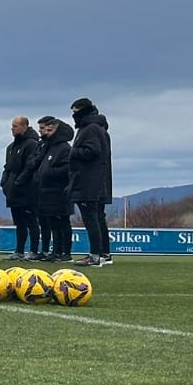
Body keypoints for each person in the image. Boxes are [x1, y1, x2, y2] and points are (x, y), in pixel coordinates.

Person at [69, 97, 113, 266]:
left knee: (91, 219)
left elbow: (92, 151)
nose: (73, 116)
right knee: (96, 218)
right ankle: (102, 253)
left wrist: (74, 152)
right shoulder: (96, 128)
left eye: (74, 112)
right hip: (94, 180)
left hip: (88, 181)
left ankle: (95, 255)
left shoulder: (90, 129)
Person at [1, 116, 42, 261]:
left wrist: (19, 182)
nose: (13, 129)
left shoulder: (31, 144)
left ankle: (33, 251)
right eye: (12, 126)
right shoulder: (11, 147)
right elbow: (8, 167)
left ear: (25, 127)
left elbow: (29, 167)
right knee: (19, 223)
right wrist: (5, 183)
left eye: (16, 126)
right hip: (13, 192)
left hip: (27, 192)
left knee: (31, 222)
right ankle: (19, 250)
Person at [34, 115, 74, 261]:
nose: (46, 133)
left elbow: (67, 169)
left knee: (63, 223)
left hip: (59, 192)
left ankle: (66, 253)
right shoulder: (50, 147)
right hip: (48, 192)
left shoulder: (64, 148)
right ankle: (56, 251)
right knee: (54, 224)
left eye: (50, 130)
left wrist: (48, 172)